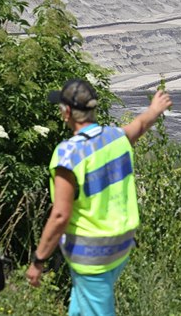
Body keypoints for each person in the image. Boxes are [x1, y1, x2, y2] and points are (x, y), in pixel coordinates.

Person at [26, 79, 172, 316]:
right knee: (81, 305)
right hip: (121, 246)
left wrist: (38, 260)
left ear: (68, 113)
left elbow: (61, 215)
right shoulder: (116, 138)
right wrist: (155, 108)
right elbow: (141, 124)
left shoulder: (68, 155)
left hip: (92, 255)